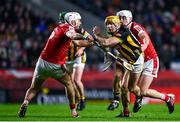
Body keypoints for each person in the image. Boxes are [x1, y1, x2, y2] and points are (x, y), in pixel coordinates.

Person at [18, 12, 87, 118]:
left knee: (34, 87)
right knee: (69, 84)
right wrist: (86, 37)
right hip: (54, 64)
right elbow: (73, 36)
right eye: (78, 20)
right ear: (72, 20)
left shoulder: (58, 28)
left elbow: (61, 48)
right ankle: (73, 111)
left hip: (42, 61)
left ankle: (25, 102)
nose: (79, 22)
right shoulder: (68, 28)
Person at [116, 10, 175, 114]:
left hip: (149, 60)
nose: (121, 20)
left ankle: (167, 98)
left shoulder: (135, 27)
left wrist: (144, 45)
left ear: (130, 19)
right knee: (127, 87)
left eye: (124, 18)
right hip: (134, 60)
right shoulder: (119, 31)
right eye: (119, 18)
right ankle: (130, 106)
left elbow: (145, 37)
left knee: (143, 91)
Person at [93, 15, 144, 117]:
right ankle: (117, 102)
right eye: (107, 24)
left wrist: (95, 35)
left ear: (117, 25)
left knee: (131, 88)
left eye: (112, 24)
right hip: (123, 57)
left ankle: (139, 98)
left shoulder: (123, 32)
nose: (109, 26)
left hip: (135, 60)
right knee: (118, 78)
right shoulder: (112, 32)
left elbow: (106, 43)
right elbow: (104, 43)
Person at [59, 11, 91, 110]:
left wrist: (82, 48)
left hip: (78, 57)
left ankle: (82, 99)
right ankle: (75, 101)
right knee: (69, 82)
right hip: (67, 59)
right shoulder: (61, 30)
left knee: (77, 80)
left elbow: (90, 40)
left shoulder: (79, 29)